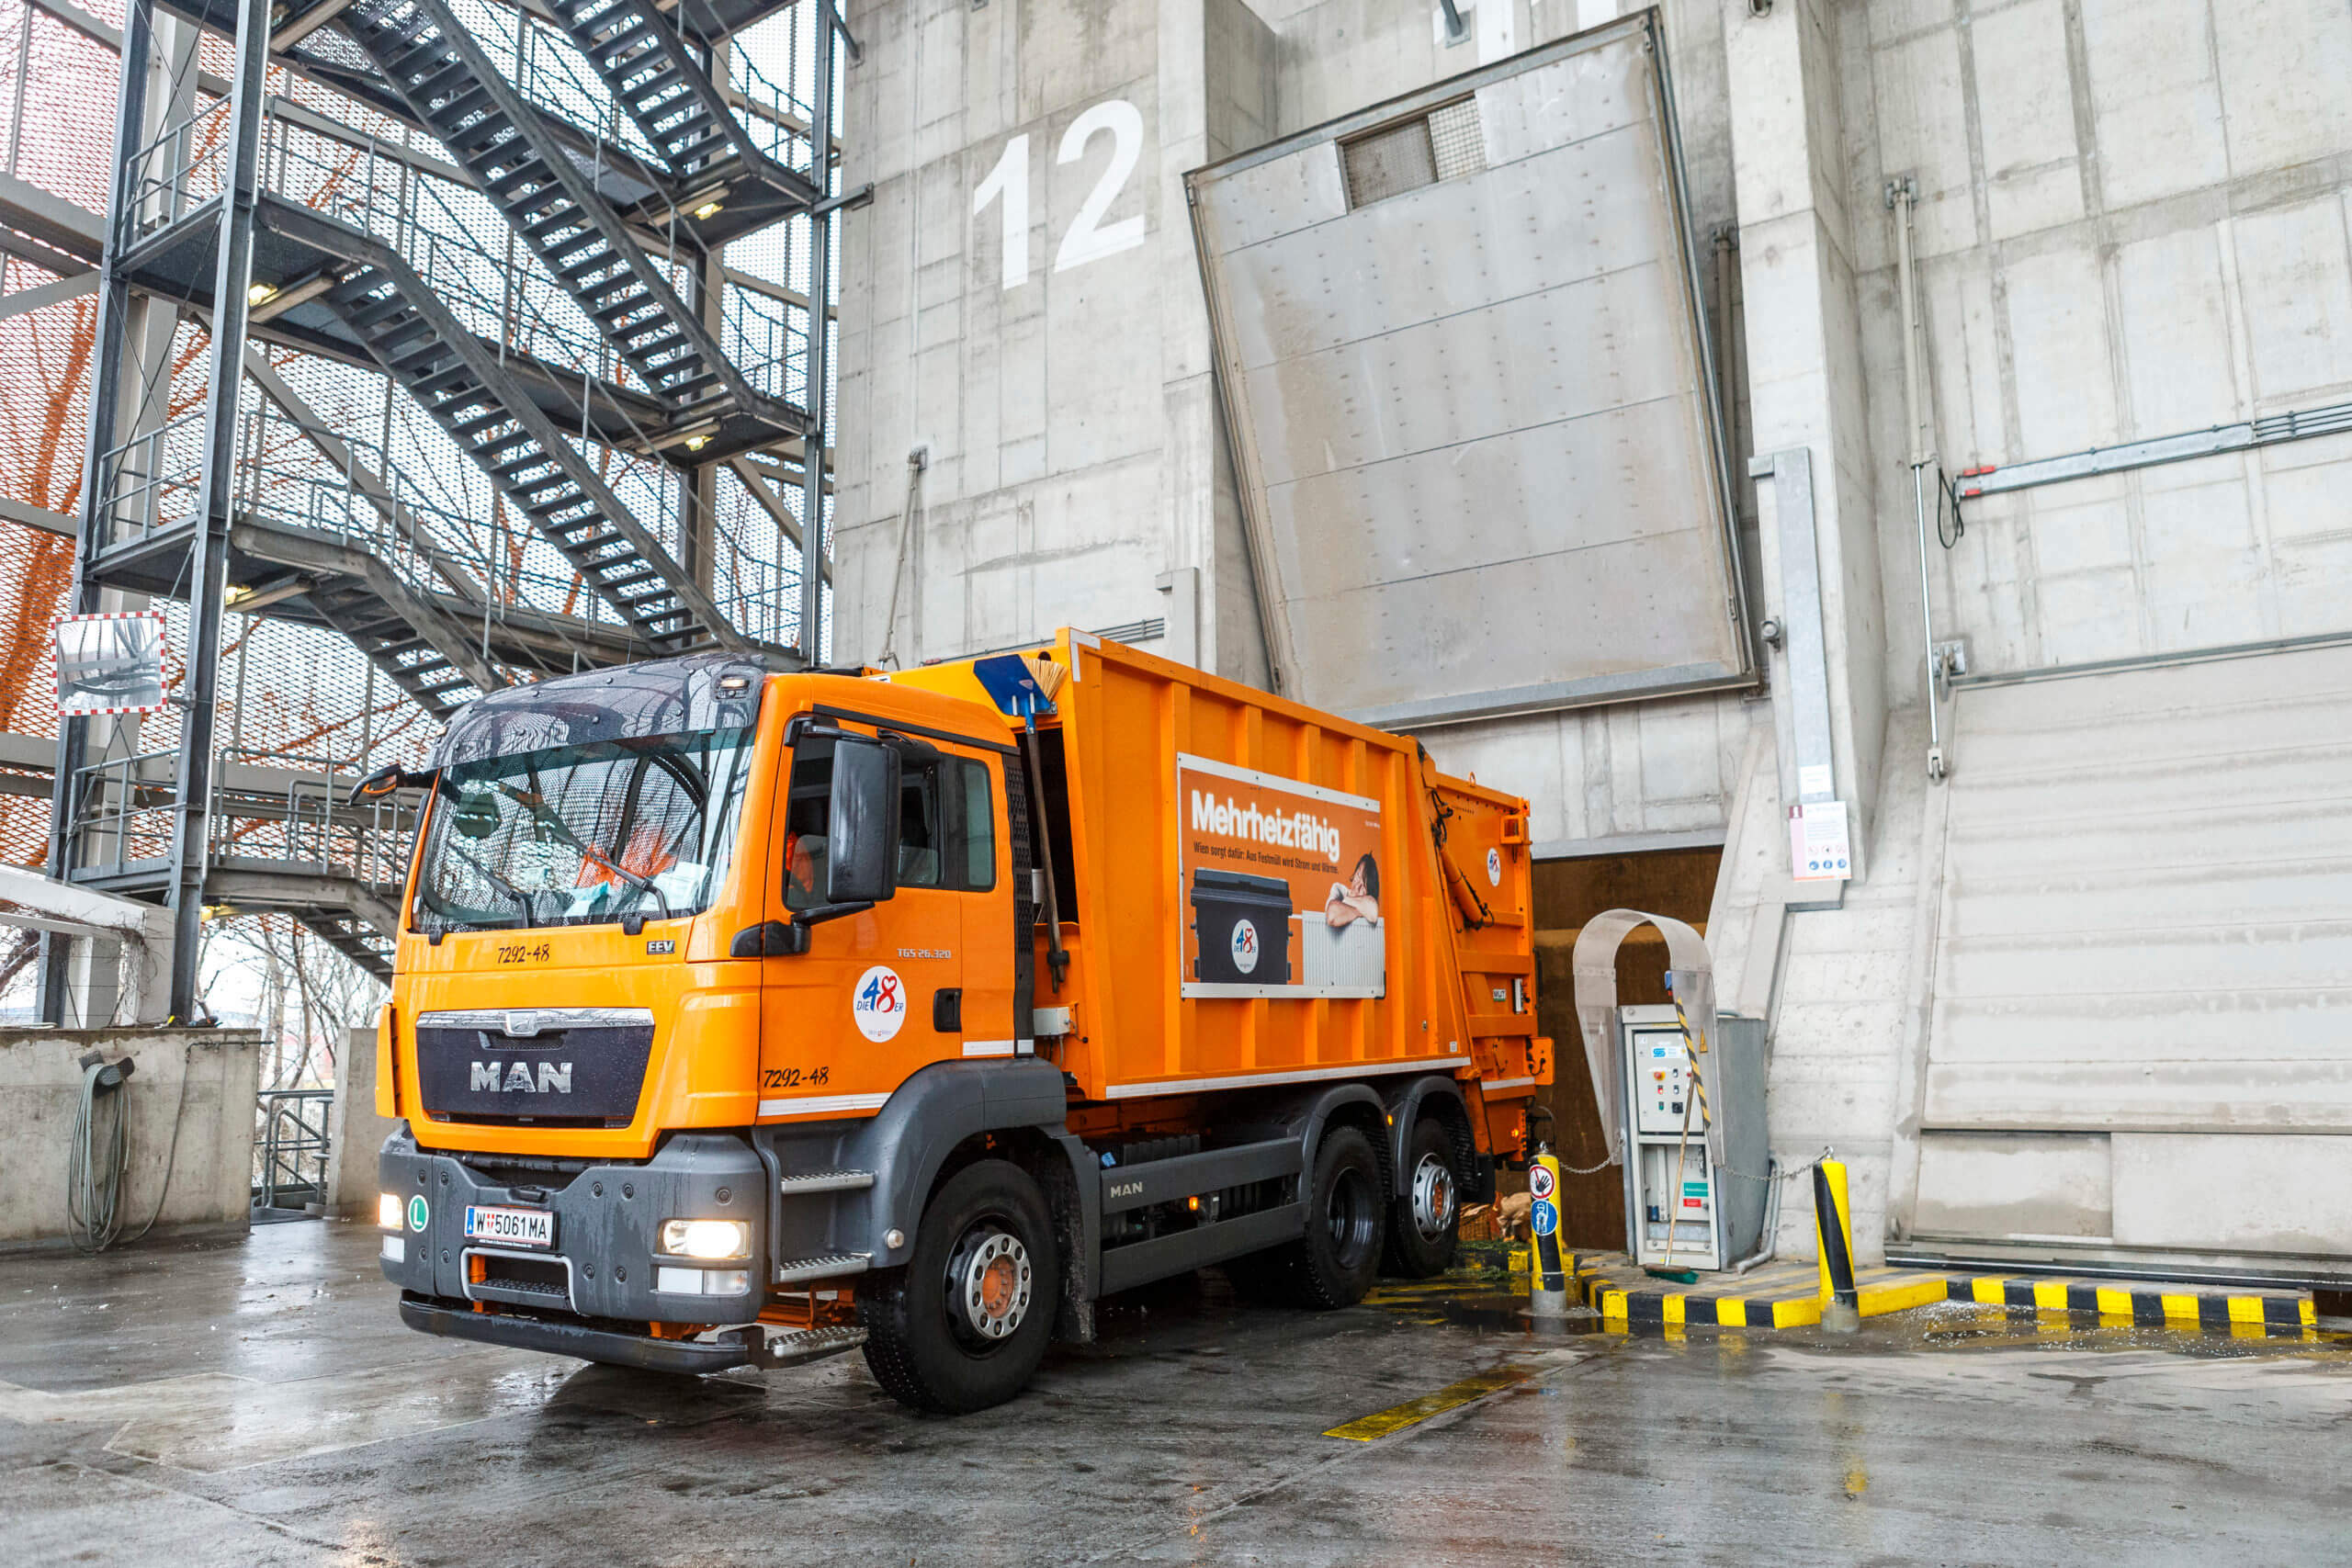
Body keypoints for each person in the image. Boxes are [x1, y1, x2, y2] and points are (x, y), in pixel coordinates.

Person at [1324, 852, 1380, 928]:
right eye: (1358, 875)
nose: (1357, 886)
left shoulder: (1370, 903)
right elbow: (1332, 916)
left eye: (1363, 886)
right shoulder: (1339, 889)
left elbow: (1373, 912)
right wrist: (1360, 912)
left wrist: (1346, 902)